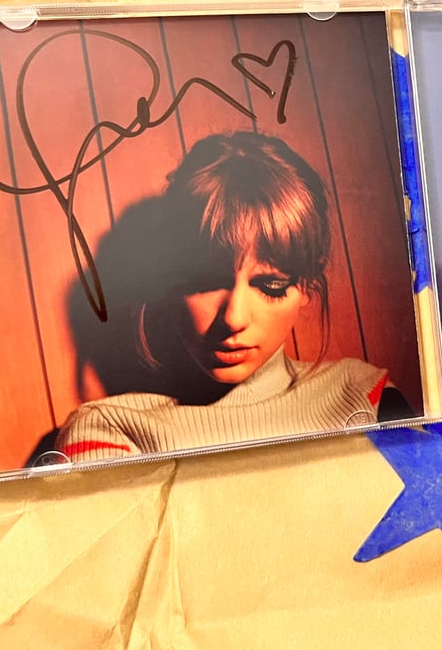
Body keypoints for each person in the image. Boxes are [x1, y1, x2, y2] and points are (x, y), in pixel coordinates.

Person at [54, 131, 409, 462]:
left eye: (270, 285)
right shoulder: (110, 432)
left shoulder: (363, 396)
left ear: (307, 286)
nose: (234, 318)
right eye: (205, 281)